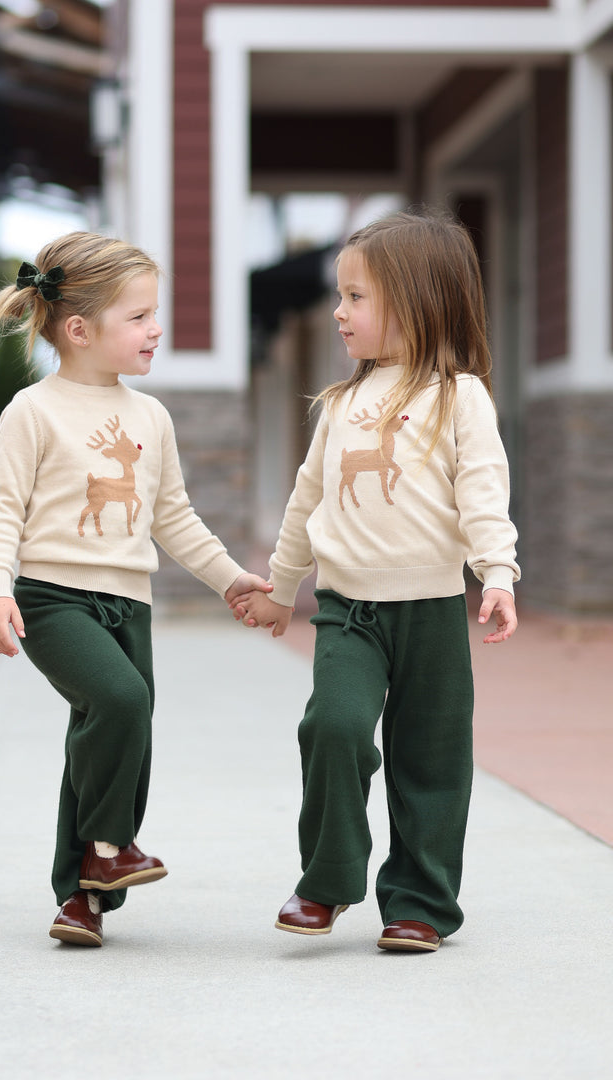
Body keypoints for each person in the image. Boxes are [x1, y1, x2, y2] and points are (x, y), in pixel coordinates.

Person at [234, 210, 520, 953]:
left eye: (356, 298)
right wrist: (278, 587)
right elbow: (306, 498)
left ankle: (419, 903)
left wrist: (498, 573)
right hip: (348, 610)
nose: (339, 312)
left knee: (431, 756)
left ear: (418, 301)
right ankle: (326, 883)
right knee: (332, 727)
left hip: (430, 610)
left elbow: (484, 494)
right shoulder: (339, 405)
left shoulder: (461, 398)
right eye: (341, 296)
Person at [0, 232, 270, 948]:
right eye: (139, 317)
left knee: (110, 732)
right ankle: (110, 846)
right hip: (51, 598)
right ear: (79, 330)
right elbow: (0, 507)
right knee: (120, 700)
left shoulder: (152, 418)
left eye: (155, 314)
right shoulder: (33, 412)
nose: (156, 329)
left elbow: (174, 518)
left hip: (127, 602)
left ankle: (81, 898)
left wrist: (231, 578)